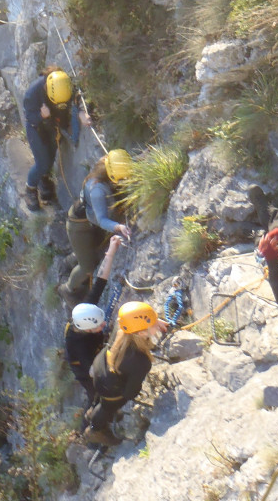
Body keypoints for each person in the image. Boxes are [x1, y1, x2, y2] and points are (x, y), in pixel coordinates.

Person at [57, 149, 133, 308]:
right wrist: (118, 226)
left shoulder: (111, 163)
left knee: (91, 251)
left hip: (89, 219)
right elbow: (102, 219)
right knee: (88, 267)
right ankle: (68, 289)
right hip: (80, 226)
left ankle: (72, 259)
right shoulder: (97, 190)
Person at [85, 301, 167, 447]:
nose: (156, 324)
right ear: (141, 333)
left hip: (100, 366)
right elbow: (130, 393)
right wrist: (131, 393)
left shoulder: (123, 328)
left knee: (102, 400)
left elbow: (134, 320)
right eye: (153, 323)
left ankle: (92, 411)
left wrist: (153, 321)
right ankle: (94, 430)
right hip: (109, 388)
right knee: (107, 406)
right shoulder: (141, 361)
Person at [64, 235, 121, 409]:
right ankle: (92, 419)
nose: (104, 324)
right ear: (88, 330)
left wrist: (111, 250)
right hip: (85, 369)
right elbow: (93, 371)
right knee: (97, 397)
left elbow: (101, 280)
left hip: (94, 348)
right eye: (99, 325)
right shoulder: (79, 347)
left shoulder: (85, 311)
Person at [22, 68, 90, 211]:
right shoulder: (33, 94)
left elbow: (78, 97)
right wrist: (42, 116)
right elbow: (30, 118)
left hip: (53, 124)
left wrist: (82, 112)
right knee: (42, 162)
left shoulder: (64, 84)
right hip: (37, 128)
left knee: (51, 156)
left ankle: (44, 178)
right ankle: (30, 188)